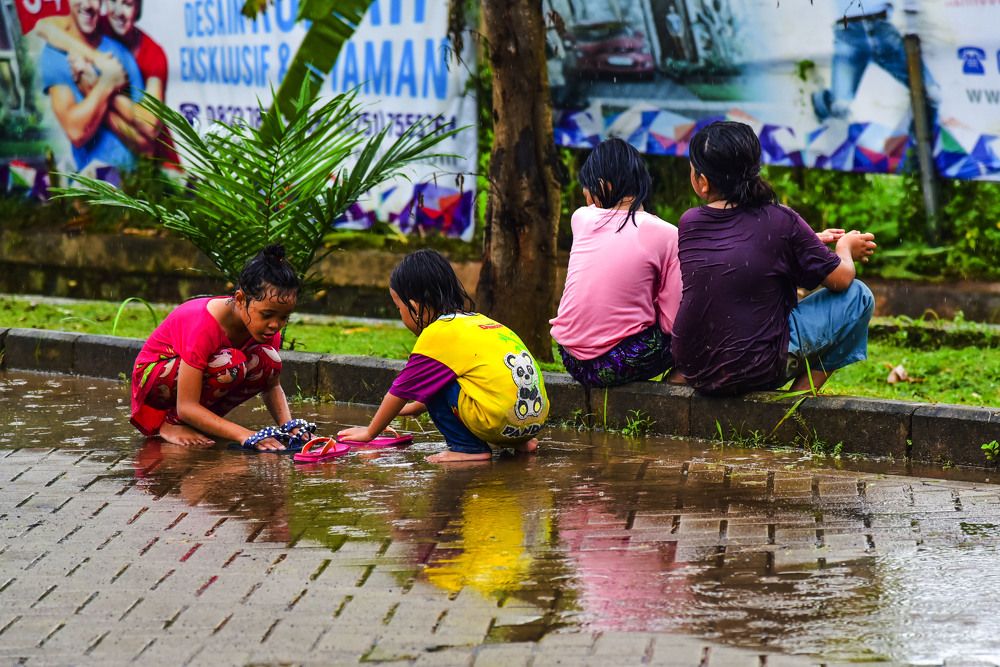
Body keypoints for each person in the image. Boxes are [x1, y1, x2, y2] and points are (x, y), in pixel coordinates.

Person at [672, 121, 877, 395]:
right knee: (859, 297)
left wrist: (807, 240)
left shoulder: (690, 223)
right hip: (755, 367)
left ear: (702, 182)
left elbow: (743, 254)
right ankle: (800, 397)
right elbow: (841, 280)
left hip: (695, 367)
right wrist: (845, 248)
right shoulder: (781, 220)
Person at [337, 249, 549, 463]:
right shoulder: (478, 321)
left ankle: (467, 449)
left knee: (437, 376)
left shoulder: (438, 333)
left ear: (414, 306)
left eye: (398, 308)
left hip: (498, 420)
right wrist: (416, 407)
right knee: (456, 378)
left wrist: (369, 433)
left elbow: (401, 390)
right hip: (532, 420)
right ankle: (522, 443)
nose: (400, 314)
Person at [130, 245, 309, 451]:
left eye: (283, 317)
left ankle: (199, 422)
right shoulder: (204, 324)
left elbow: (272, 385)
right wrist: (245, 435)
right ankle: (173, 423)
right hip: (155, 378)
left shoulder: (267, 329)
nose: (275, 325)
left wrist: (289, 427)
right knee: (230, 363)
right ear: (241, 300)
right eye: (267, 315)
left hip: (203, 376)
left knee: (268, 361)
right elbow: (186, 405)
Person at [549, 137, 681, 388]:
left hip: (570, 358)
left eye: (587, 191)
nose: (586, 199)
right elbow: (671, 323)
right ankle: (682, 376)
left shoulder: (582, 218)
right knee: (687, 329)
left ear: (602, 185)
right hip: (618, 364)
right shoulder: (667, 234)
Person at [33, 0, 176, 163]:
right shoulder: (95, 23)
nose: (119, 11)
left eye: (127, 4)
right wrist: (98, 60)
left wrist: (97, 85)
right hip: (102, 173)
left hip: (162, 161)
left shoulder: (151, 54)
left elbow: (150, 127)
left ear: (138, 9)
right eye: (113, 1)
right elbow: (43, 27)